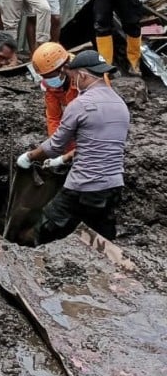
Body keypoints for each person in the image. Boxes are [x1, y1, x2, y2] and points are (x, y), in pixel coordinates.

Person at [17, 50, 129, 243]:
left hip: (83, 186)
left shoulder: (79, 104)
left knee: (42, 230)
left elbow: (54, 145)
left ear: (82, 75)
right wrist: (64, 158)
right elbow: (98, 144)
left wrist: (29, 157)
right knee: (102, 238)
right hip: (113, 185)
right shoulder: (121, 105)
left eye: (74, 75)